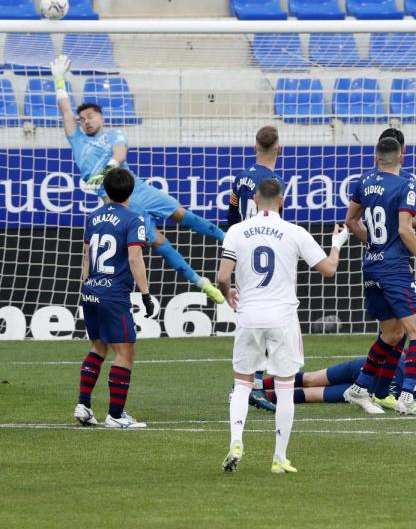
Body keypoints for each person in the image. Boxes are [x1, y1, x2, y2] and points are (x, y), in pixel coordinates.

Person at [51, 54, 226, 305]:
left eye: (90, 116)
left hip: (138, 188)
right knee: (159, 242)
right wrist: (59, 80)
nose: (86, 121)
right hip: (120, 204)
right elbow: (66, 110)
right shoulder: (77, 140)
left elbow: (119, 156)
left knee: (180, 214)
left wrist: (101, 174)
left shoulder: (114, 134)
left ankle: (227, 239)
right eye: (83, 119)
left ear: (101, 117)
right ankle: (201, 282)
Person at [217, 178, 348, 474]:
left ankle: (236, 441)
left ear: (254, 201)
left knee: (242, 384)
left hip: (249, 316)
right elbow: (328, 270)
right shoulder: (294, 232)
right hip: (283, 318)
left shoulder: (236, 231)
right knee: (284, 387)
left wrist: (228, 296)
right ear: (282, 202)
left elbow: (223, 277)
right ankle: (279, 457)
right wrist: (337, 244)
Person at [342, 137, 416, 417]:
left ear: (376, 157)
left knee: (393, 334)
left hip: (371, 266)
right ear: (402, 156)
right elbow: (406, 229)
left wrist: (372, 245)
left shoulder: (363, 182)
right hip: (394, 268)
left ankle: (359, 389)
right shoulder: (406, 184)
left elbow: (350, 221)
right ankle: (406, 397)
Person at [73, 168, 153, 429]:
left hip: (91, 290)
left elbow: (86, 257)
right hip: (114, 294)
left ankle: (83, 406)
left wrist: (86, 287)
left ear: (105, 190)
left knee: (99, 346)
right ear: (131, 190)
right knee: (125, 350)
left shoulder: (93, 217)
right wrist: (146, 293)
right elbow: (134, 258)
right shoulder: (133, 219)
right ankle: (116, 416)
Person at [226, 126, 284, 413]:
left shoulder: (241, 177)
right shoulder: (273, 182)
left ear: (254, 147)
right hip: (266, 259)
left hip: (243, 254)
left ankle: (249, 386)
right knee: (266, 322)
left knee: (253, 321)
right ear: (279, 149)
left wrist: (233, 248)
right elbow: (277, 222)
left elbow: (231, 214)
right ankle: (248, 387)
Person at [260, 345, 416, 405]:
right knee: (314, 395)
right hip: (374, 389)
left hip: (368, 366)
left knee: (311, 378)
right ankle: (265, 399)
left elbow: (400, 352)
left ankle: (258, 386)